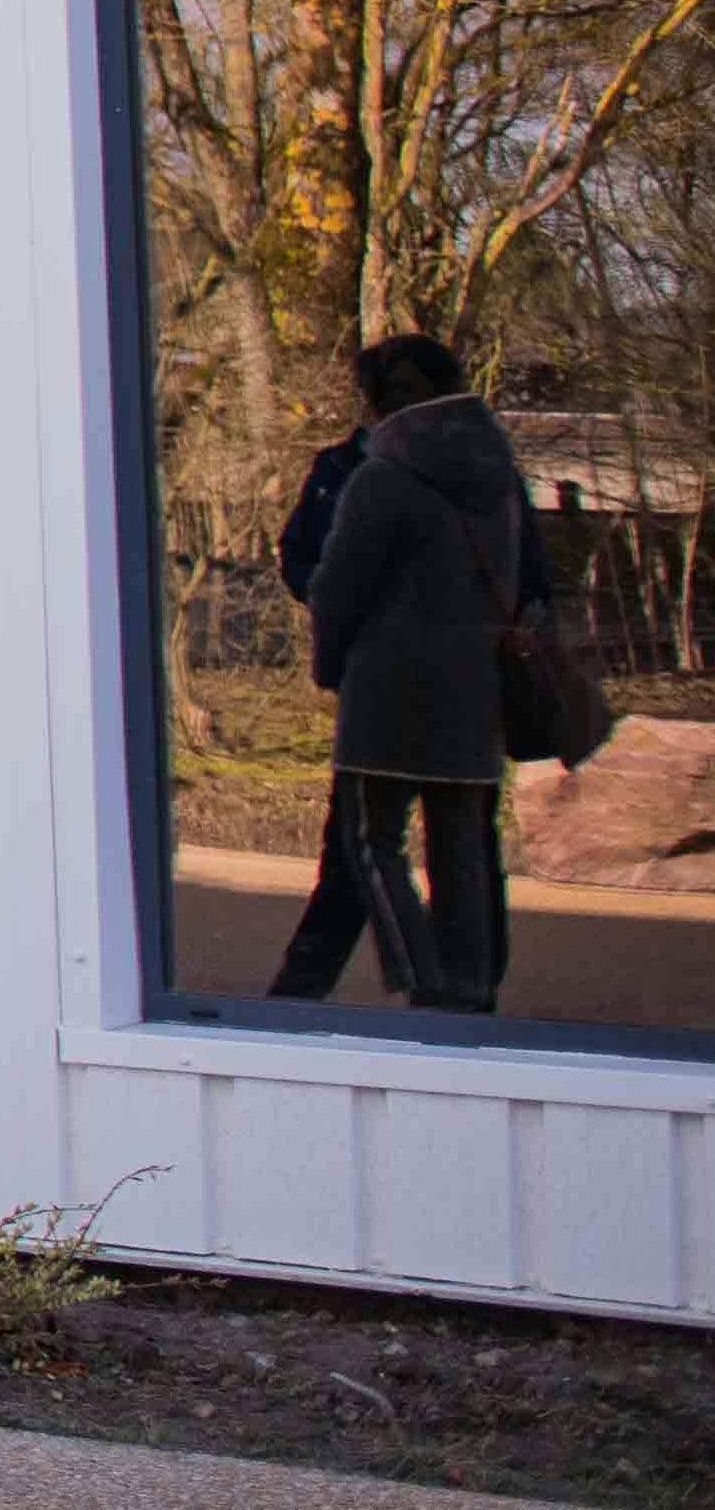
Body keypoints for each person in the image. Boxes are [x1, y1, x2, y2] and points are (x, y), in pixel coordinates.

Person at [282, 332, 538, 1015]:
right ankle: (468, 986)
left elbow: (335, 585)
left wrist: (334, 662)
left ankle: (424, 976)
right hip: (473, 691)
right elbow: (532, 582)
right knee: (461, 845)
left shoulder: (378, 476)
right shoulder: (499, 477)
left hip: (387, 693)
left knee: (369, 841)